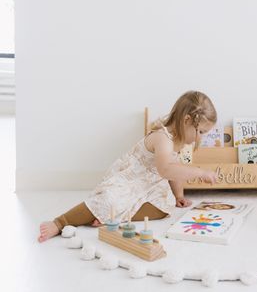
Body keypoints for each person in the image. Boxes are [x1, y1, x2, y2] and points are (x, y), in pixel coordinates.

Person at [38, 91, 218, 242]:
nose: (200, 138)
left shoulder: (179, 142)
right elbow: (166, 169)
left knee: (166, 206)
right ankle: (60, 222)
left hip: (149, 184)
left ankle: (115, 215)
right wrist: (198, 172)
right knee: (109, 200)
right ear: (186, 120)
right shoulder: (162, 138)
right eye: (200, 132)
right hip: (131, 178)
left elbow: (175, 168)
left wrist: (179, 195)